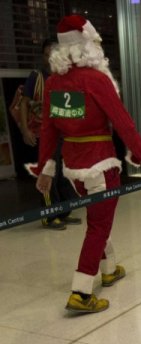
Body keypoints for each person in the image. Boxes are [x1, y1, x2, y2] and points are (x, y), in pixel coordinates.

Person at [34, 15, 141, 314]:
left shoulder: (53, 83)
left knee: (97, 221)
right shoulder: (96, 80)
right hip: (101, 165)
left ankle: (110, 269)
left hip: (73, 168)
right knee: (99, 226)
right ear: (86, 46)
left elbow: (48, 129)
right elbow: (123, 124)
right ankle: (81, 291)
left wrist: (45, 169)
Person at [20, 38, 80, 230]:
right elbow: (24, 103)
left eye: (52, 54)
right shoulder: (36, 77)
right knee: (47, 173)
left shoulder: (64, 76)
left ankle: (62, 212)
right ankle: (49, 216)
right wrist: (25, 129)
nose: (49, 58)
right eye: (46, 55)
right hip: (42, 133)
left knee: (62, 173)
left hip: (61, 134)